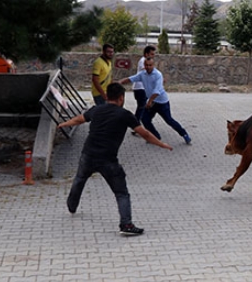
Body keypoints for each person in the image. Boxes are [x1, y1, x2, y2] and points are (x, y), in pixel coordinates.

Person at [58, 83, 173, 236]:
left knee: (80, 179)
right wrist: (161, 144)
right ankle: (126, 224)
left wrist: (63, 124)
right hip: (108, 160)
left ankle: (71, 206)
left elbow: (79, 120)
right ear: (121, 98)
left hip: (88, 154)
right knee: (121, 193)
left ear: (107, 96)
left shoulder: (96, 110)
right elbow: (144, 133)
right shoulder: (124, 114)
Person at [119, 57, 192, 144]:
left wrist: (149, 101)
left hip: (162, 102)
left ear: (153, 65)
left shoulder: (158, 75)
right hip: (152, 102)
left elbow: (157, 91)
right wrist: (120, 82)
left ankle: (184, 134)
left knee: (169, 120)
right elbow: (131, 78)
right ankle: (155, 136)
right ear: (144, 65)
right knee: (145, 119)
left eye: (150, 65)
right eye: (146, 65)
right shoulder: (143, 74)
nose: (148, 67)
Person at [131, 45, 157, 136]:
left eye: (154, 54)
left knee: (141, 108)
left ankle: (136, 125)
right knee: (142, 108)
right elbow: (146, 71)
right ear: (146, 54)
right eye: (151, 54)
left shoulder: (144, 61)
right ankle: (136, 127)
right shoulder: (143, 61)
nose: (153, 56)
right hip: (140, 88)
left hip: (141, 88)